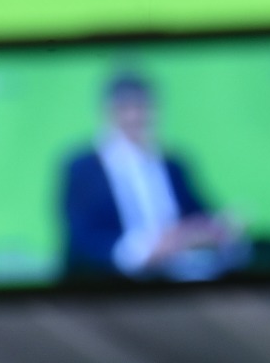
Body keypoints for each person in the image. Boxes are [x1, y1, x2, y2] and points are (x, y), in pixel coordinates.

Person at [60, 72, 244, 281]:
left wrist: (217, 228)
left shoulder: (174, 164)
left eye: (142, 107)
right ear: (108, 112)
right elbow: (82, 240)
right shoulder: (83, 168)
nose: (135, 116)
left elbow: (199, 215)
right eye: (125, 108)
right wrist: (145, 250)